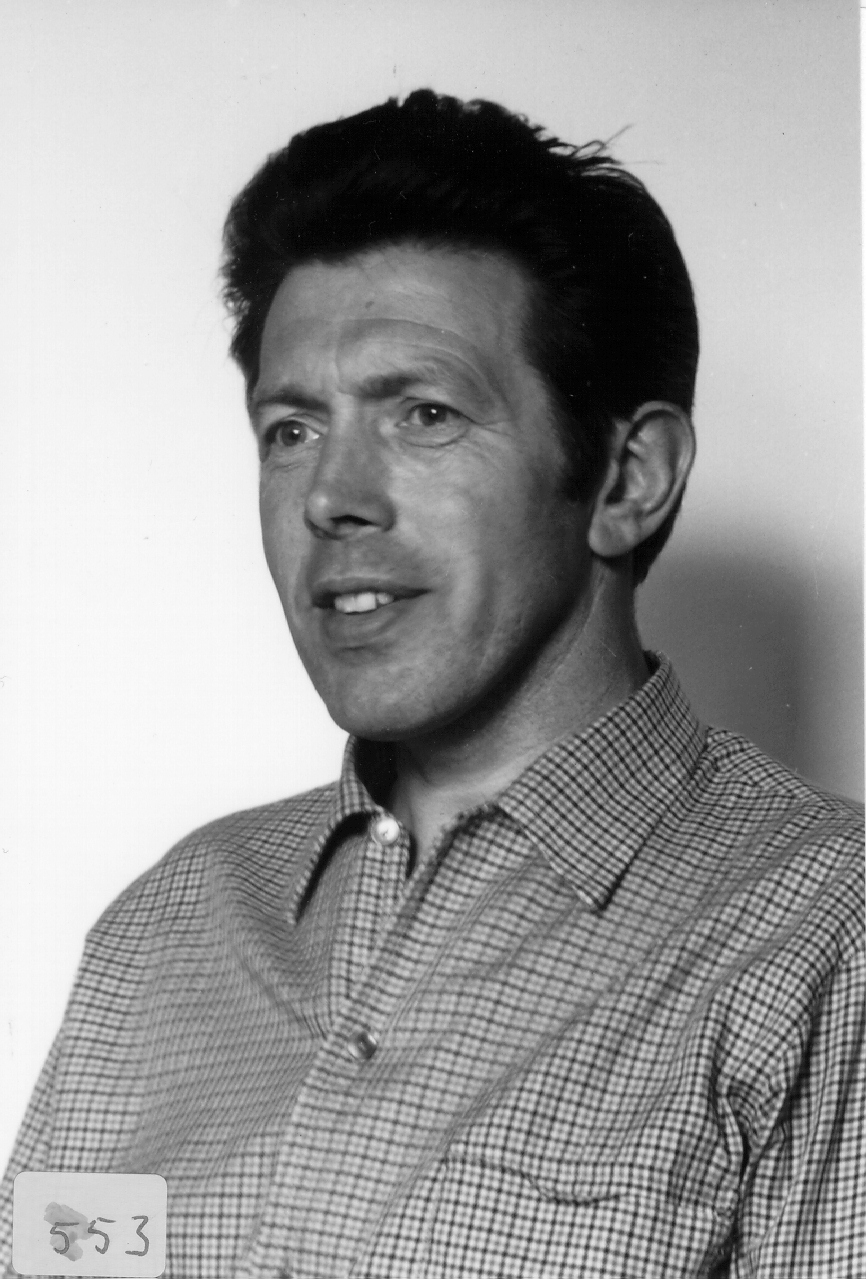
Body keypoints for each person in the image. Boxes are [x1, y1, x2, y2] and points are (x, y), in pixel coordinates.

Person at [2, 90, 863, 1278]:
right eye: (290, 428)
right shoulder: (169, 926)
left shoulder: (826, 937)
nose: (330, 497)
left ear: (626, 479)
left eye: (423, 413)